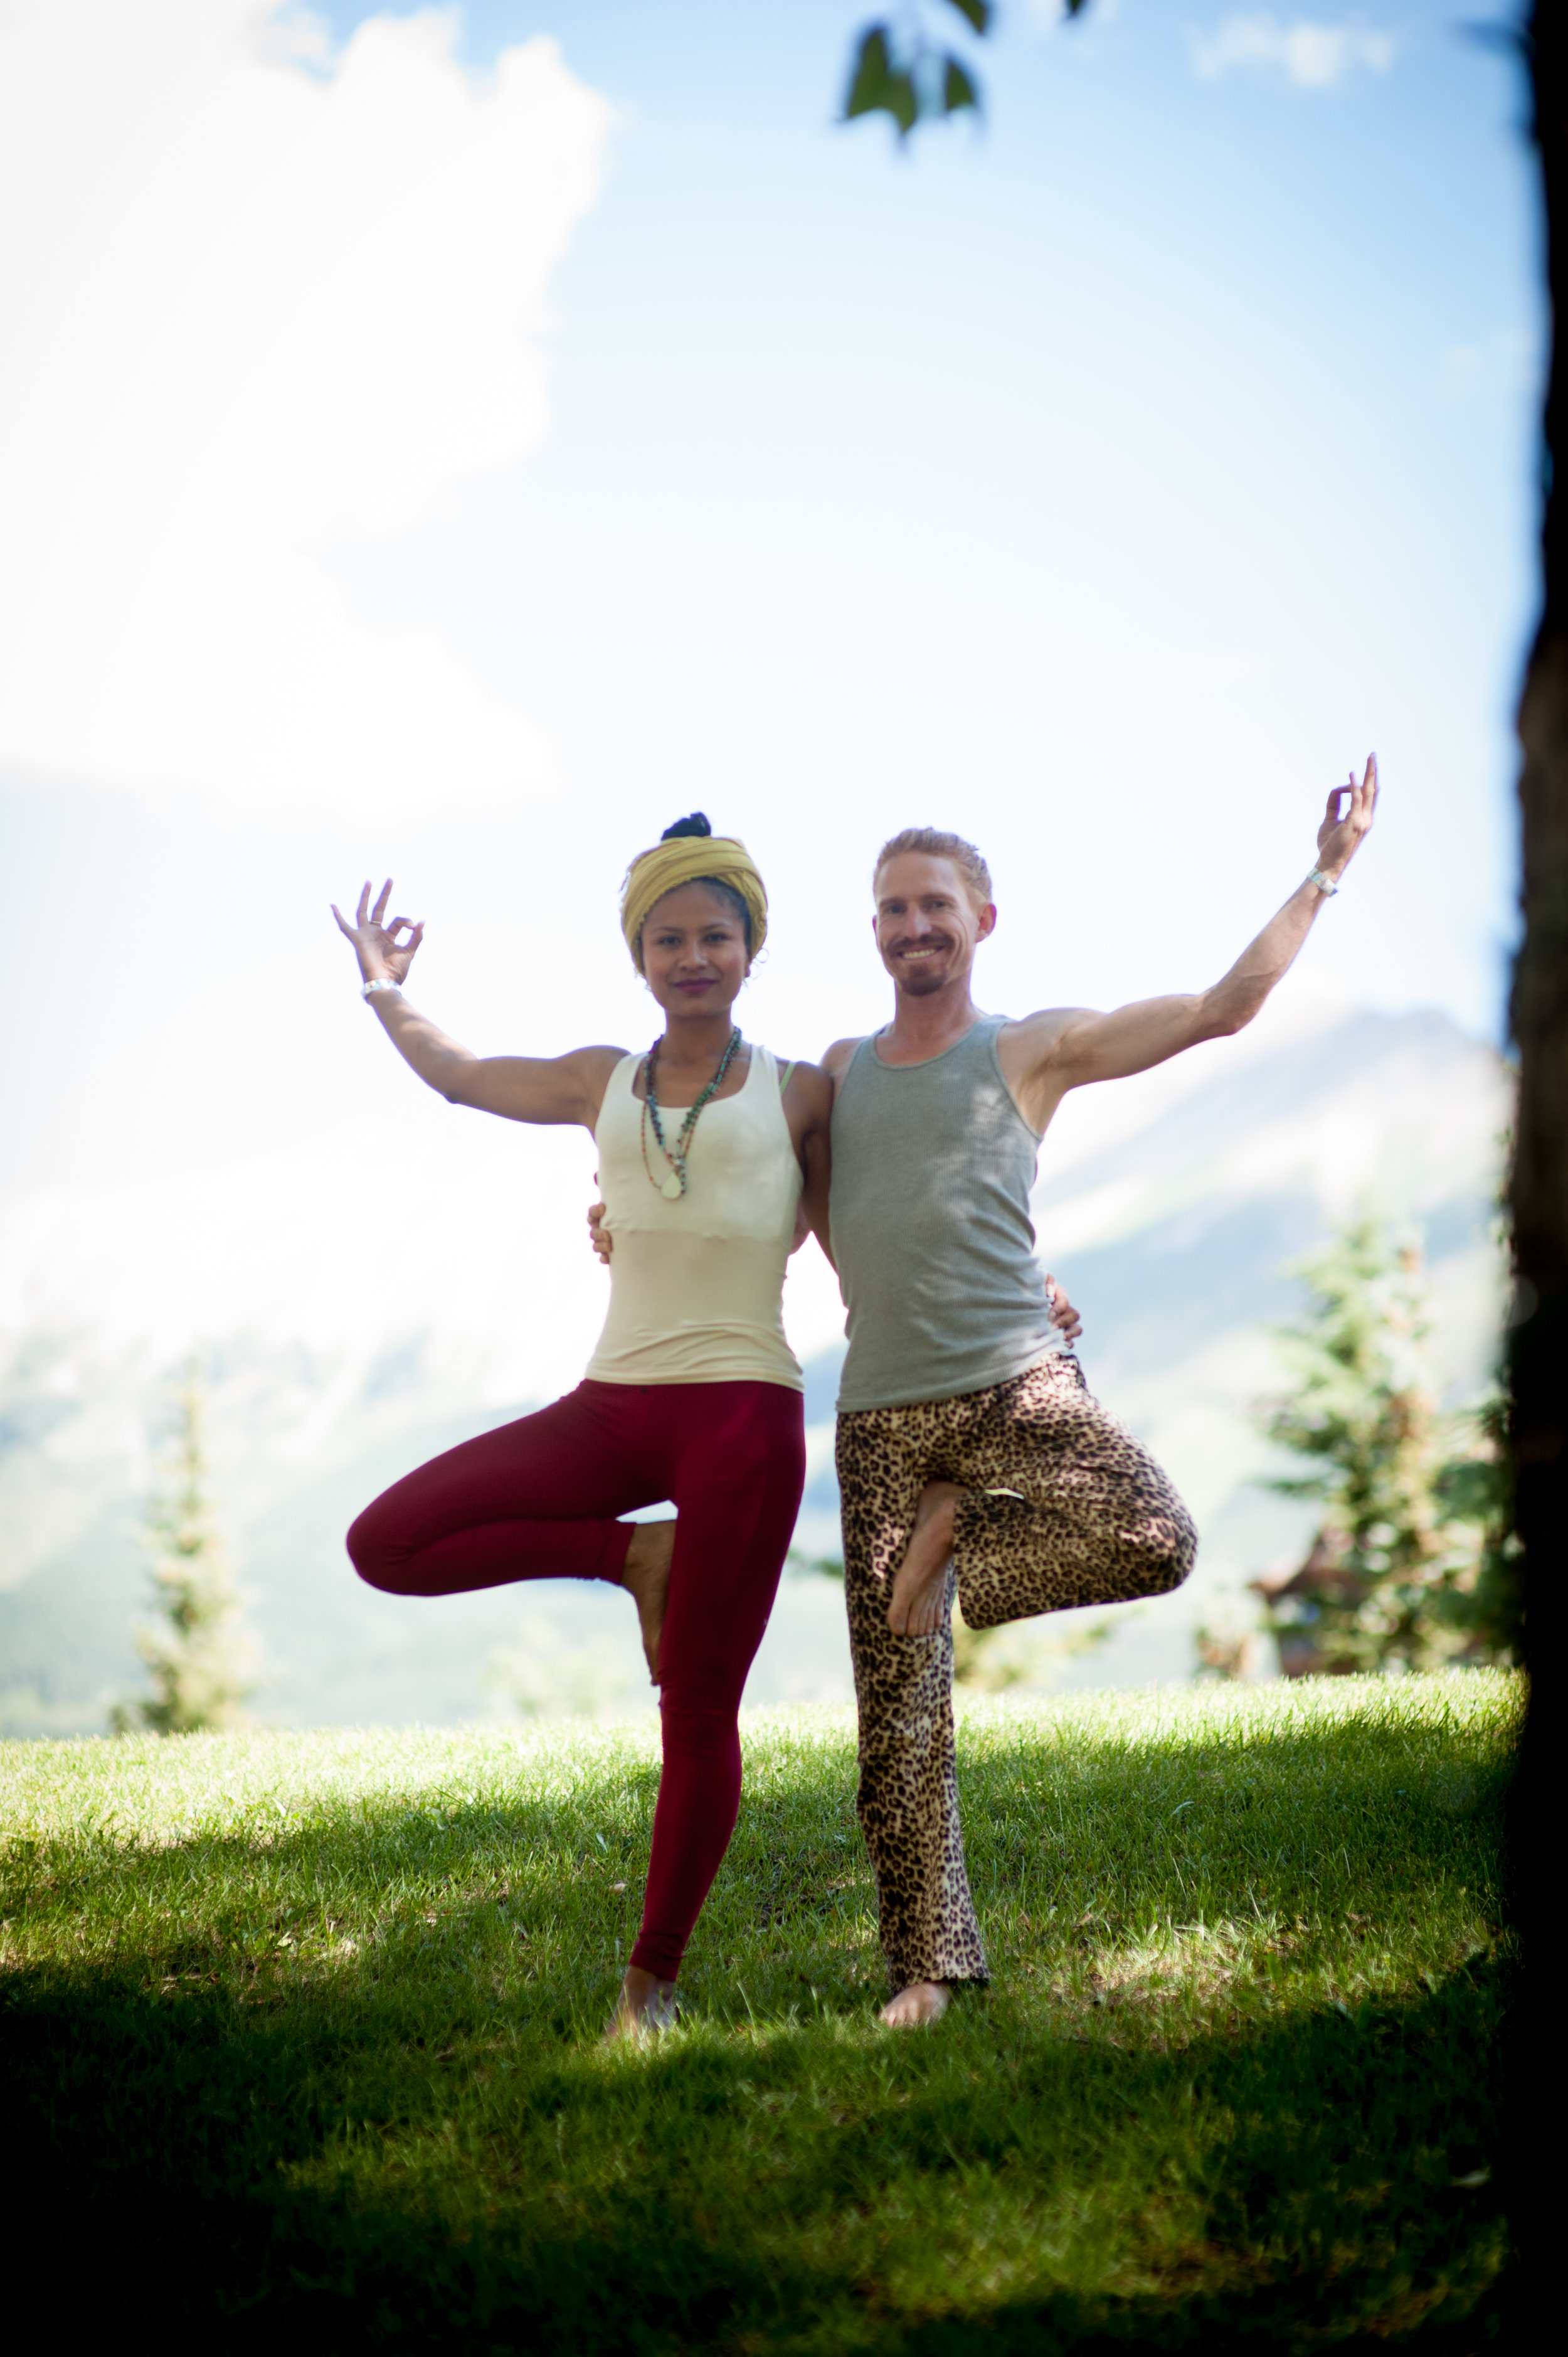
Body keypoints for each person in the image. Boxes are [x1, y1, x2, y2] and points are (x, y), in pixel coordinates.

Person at [824, 759, 1379, 2026]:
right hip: (878, 1415)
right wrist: (613, 1218)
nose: (915, 925)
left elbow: (1219, 1008)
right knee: (896, 1717)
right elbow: (765, 1180)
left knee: (1153, 1533)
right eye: (894, 907)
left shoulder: (1030, 1048)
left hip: (1016, 1377)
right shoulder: (840, 1070)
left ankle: (960, 1540)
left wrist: (1326, 870)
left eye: (937, 904)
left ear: (981, 920)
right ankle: (924, 1971)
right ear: (872, 930)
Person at [331, 816, 835, 2039]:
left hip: (741, 1415)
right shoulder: (598, 1078)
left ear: (751, 946)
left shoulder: (805, 1091)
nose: (692, 955)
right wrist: (385, 988)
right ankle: (632, 1556)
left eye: (715, 933)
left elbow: (866, 1232)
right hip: (610, 1403)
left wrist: (1010, 1298)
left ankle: (648, 1986)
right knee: (387, 1540)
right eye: (668, 936)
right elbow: (461, 1074)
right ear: (638, 954)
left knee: (697, 1708)